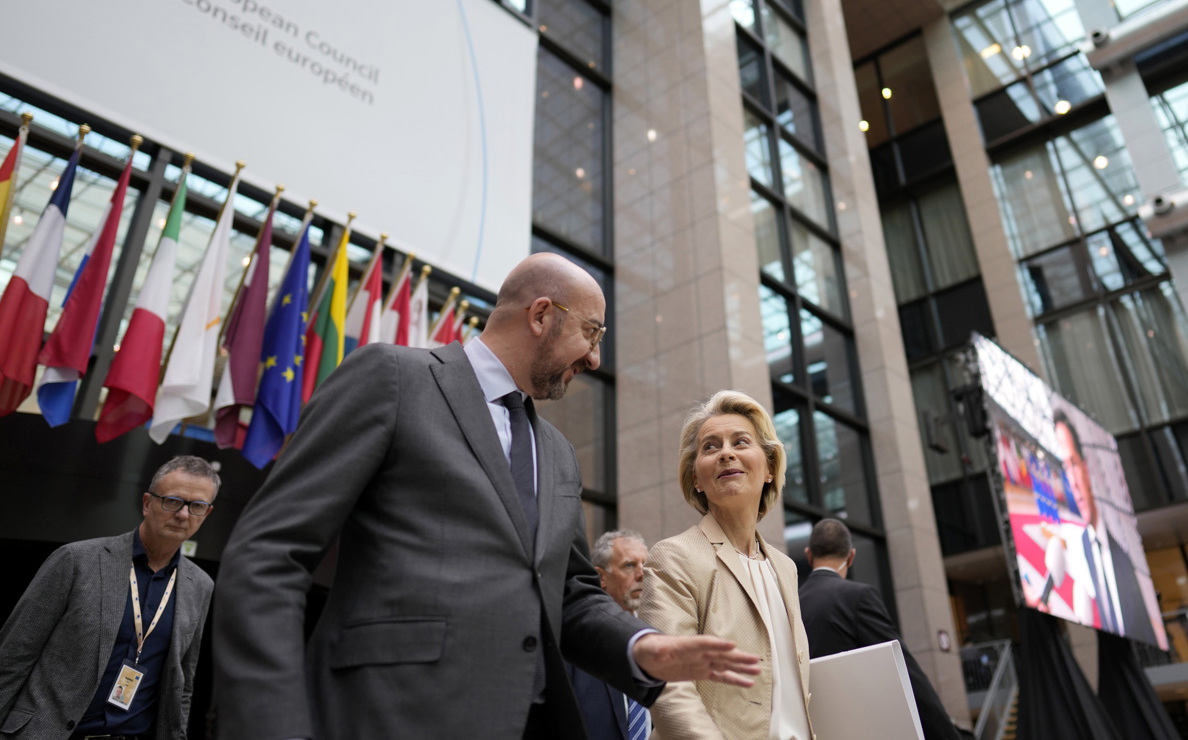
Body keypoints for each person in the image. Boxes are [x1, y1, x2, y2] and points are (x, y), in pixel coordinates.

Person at [212, 253, 759, 740]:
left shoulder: (559, 451)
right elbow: (268, 554)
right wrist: (271, 721)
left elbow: (569, 592)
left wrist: (640, 646)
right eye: (592, 334)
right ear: (542, 315)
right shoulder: (394, 379)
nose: (594, 359)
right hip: (388, 714)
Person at [0, 455, 218, 740]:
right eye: (173, 501)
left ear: (207, 513)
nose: (183, 515)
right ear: (147, 503)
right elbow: (13, 656)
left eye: (197, 506)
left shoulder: (200, 585)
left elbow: (182, 684)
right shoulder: (76, 560)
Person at [639, 390, 813, 740]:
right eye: (710, 446)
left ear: (769, 469)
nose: (726, 453)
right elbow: (669, 686)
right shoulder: (675, 557)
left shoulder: (785, 567)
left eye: (741, 441)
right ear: (697, 481)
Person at [798, 518, 961, 740]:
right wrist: (947, 735)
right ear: (851, 556)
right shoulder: (858, 598)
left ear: (809, 555)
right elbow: (905, 671)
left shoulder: (790, 604)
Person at [1053, 411, 1158, 646]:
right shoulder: (1074, 556)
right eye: (1064, 470)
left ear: (1086, 468)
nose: (1074, 483)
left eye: (1073, 464)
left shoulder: (1124, 555)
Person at [569, 530, 653, 740]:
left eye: (646, 565)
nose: (643, 573)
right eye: (629, 565)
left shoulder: (656, 635)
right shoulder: (576, 641)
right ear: (601, 577)